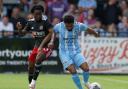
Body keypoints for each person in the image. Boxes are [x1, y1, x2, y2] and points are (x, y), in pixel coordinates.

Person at [51, 15, 99, 89]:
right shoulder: (59, 26)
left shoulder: (78, 25)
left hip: (76, 51)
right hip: (64, 53)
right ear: (64, 23)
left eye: (71, 26)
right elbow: (53, 31)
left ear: (73, 23)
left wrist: (95, 33)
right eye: (67, 26)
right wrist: (51, 41)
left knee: (86, 68)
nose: (69, 27)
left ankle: (86, 82)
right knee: (73, 71)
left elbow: (88, 29)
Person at [16, 5, 53, 89]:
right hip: (37, 47)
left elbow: (51, 33)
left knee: (38, 58)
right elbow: (22, 34)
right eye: (36, 14)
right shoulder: (30, 22)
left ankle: (33, 82)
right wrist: (19, 29)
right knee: (30, 67)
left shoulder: (45, 21)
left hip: (46, 47)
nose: (38, 16)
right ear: (33, 14)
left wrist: (42, 45)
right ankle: (31, 86)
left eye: (40, 14)